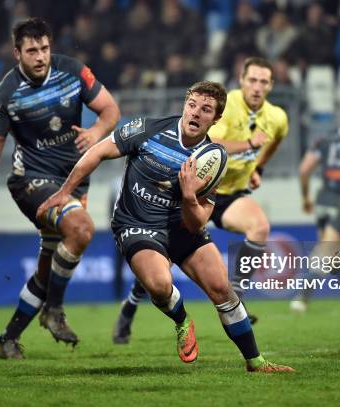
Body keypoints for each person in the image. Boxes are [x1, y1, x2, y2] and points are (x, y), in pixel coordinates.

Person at [40, 80, 293, 373]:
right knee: (160, 286)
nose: (196, 113)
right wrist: (66, 191)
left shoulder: (212, 159)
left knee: (222, 287)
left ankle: (256, 362)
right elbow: (96, 152)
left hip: (178, 223)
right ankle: (183, 321)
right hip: (136, 222)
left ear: (216, 118)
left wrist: (188, 196)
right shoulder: (148, 129)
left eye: (206, 109)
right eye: (192, 105)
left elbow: (196, 221)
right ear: (184, 105)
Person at [0, 17, 120, 359]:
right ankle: (54, 310)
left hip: (74, 179)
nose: (40, 56)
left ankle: (7, 339)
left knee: (48, 268)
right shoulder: (5, 93)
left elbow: (110, 110)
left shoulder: (74, 71)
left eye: (45, 48)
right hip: (30, 180)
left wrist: (95, 133)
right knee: (81, 229)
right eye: (31, 50)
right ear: (17, 52)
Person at [112, 57, 288, 343]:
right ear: (241, 80)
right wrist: (248, 145)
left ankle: (236, 294)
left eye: (263, 82)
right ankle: (130, 308)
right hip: (190, 192)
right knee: (159, 267)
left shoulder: (277, 117)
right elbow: (211, 149)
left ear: (271, 85)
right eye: (252, 80)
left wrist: (259, 167)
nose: (257, 87)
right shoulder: (224, 107)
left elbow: (276, 139)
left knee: (260, 228)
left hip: (229, 195)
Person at [292, 97, 340, 312]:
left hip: (323, 198)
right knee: (331, 253)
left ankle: (304, 294)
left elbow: (304, 170)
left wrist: (305, 198)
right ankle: (303, 295)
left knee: (328, 250)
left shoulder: (326, 137)